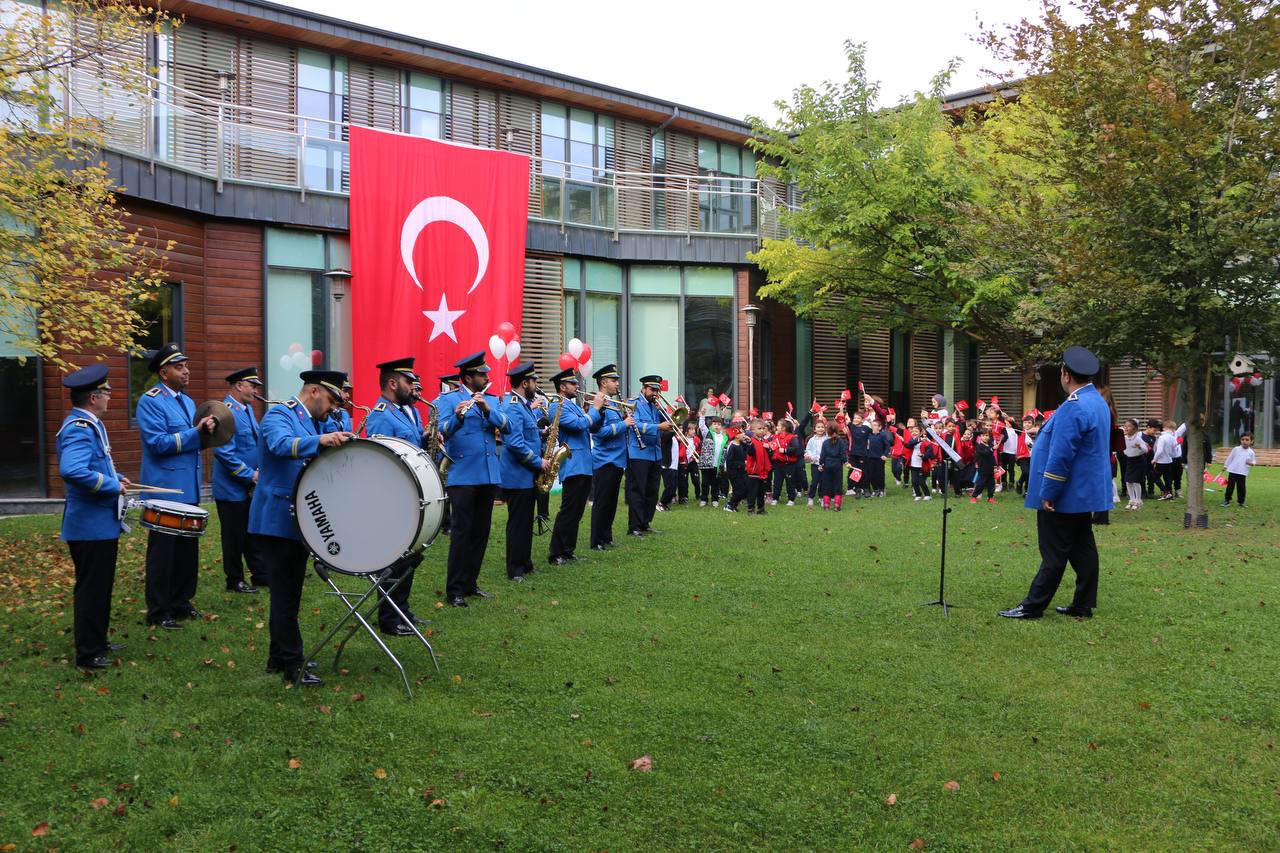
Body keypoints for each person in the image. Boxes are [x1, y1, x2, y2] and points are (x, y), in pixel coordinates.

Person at [250, 370, 354, 685]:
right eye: (332, 400)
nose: (334, 407)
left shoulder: (313, 421)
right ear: (312, 391)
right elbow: (282, 445)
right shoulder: (278, 414)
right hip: (275, 519)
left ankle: (276, 657)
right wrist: (321, 440)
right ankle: (293, 665)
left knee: (288, 593)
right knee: (285, 595)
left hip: (295, 517)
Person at [1000, 346, 1113, 620]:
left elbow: (1061, 456)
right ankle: (1083, 604)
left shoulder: (1073, 408)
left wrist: (1049, 492)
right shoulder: (1097, 402)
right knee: (1082, 548)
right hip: (1082, 493)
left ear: (1065, 374)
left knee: (1053, 551)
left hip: (1065, 494)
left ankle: (1033, 606)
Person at [136, 343, 216, 630]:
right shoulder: (151, 401)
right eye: (179, 367)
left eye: (186, 366)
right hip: (165, 489)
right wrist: (195, 433)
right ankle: (158, 610)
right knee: (163, 553)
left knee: (186, 550)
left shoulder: (188, 401)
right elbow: (158, 444)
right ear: (163, 372)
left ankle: (182, 601)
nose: (186, 371)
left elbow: (192, 441)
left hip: (188, 487)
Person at [56, 365, 130, 669]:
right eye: (107, 392)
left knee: (101, 586)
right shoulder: (79, 427)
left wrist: (117, 477)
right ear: (93, 396)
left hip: (99, 523)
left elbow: (95, 465)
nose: (110, 396)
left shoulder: (89, 423)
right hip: (89, 525)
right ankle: (88, 653)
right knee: (91, 589)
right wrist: (112, 486)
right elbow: (72, 470)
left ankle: (97, 640)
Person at [363, 357, 430, 634]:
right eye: (408, 381)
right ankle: (389, 618)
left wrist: (427, 438)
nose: (413, 386)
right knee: (394, 558)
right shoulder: (381, 414)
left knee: (408, 555)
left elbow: (408, 445)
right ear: (392, 383)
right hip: (391, 494)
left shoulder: (401, 411)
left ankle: (402, 609)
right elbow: (381, 457)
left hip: (409, 490)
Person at [438, 352, 510, 607]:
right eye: (482, 374)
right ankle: (455, 589)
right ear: (468, 377)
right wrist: (457, 418)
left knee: (481, 532)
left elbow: (507, 426)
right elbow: (440, 431)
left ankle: (471, 583)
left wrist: (487, 410)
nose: (486, 377)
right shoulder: (448, 400)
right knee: (462, 533)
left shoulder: (490, 400)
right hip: (463, 475)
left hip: (488, 474)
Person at [212, 367, 267, 594]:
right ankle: (234, 580)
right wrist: (250, 474)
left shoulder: (245, 410)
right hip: (231, 488)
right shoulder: (225, 411)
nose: (255, 390)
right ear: (238, 386)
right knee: (233, 537)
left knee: (250, 533)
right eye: (252, 386)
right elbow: (223, 452)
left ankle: (261, 575)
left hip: (246, 487)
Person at [500, 361, 550, 580]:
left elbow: (527, 435)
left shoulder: (523, 405)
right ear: (524, 383)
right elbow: (514, 443)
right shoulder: (513, 406)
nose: (536, 386)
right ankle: (515, 568)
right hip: (517, 474)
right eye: (533, 382)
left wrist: (542, 435)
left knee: (526, 519)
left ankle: (525, 561)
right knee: (518, 523)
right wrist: (538, 462)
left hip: (525, 474)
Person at [546, 369, 592, 565]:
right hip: (573, 463)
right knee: (568, 510)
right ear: (562, 387)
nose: (577, 386)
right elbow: (579, 426)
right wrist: (596, 409)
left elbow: (588, 425)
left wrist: (599, 410)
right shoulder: (557, 406)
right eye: (573, 384)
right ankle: (556, 552)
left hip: (583, 463)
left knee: (577, 511)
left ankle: (568, 549)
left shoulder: (573, 406)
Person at [586, 364, 629, 551]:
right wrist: (624, 424)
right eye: (614, 380)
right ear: (603, 382)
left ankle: (606, 536)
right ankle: (596, 540)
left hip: (617, 459)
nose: (617, 383)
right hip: (605, 460)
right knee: (602, 502)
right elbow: (598, 433)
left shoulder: (613, 403)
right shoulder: (598, 403)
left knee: (611, 502)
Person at [624, 375, 673, 536]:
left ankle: (645, 522)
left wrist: (664, 413)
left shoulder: (655, 406)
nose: (655, 393)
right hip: (639, 452)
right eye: (652, 389)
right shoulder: (633, 403)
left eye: (657, 390)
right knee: (638, 489)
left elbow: (669, 423)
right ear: (643, 389)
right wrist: (658, 426)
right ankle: (635, 526)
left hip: (655, 453)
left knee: (652, 490)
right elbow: (635, 425)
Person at [817, 415, 848, 511]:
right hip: (837, 465)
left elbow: (822, 456)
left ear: (828, 431)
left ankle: (826, 505)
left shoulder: (825, 443)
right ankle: (837, 506)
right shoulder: (841, 442)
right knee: (838, 484)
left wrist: (821, 464)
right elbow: (843, 454)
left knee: (826, 484)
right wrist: (845, 462)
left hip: (827, 465)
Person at [696, 415, 727, 506]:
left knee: (715, 483)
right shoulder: (708, 433)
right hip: (707, 463)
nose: (716, 426)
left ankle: (715, 499)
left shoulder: (724, 437)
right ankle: (704, 499)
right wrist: (702, 416)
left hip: (717, 464)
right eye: (714, 424)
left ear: (721, 426)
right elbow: (702, 426)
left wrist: (724, 464)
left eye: (718, 424)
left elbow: (725, 452)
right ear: (711, 425)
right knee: (705, 482)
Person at [1220, 432, 1256, 508]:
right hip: (1233, 471)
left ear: (1251, 441)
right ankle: (1227, 500)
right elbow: (1230, 458)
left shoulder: (1251, 452)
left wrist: (1251, 463)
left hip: (1242, 472)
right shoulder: (1236, 449)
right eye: (1243, 439)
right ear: (1240, 440)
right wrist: (1225, 466)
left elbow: (1254, 462)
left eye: (1247, 440)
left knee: (1241, 488)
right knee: (1230, 486)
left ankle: (1241, 501)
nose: (1244, 441)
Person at [1120, 418, 1148, 510]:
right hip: (1129, 460)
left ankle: (1138, 501)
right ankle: (1131, 500)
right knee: (1128, 481)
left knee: (1136, 481)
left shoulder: (1138, 439)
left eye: (1129, 426)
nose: (1126, 428)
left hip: (1139, 461)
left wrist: (1139, 446)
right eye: (1125, 426)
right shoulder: (1124, 438)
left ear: (1135, 429)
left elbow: (1146, 450)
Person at [971, 430, 997, 504]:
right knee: (980, 484)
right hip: (982, 469)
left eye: (987, 436)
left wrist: (995, 466)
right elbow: (985, 453)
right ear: (980, 437)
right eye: (983, 435)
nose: (985, 437)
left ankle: (990, 497)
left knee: (991, 484)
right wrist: (992, 449)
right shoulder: (979, 446)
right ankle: (974, 497)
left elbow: (992, 457)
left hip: (990, 469)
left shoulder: (990, 445)